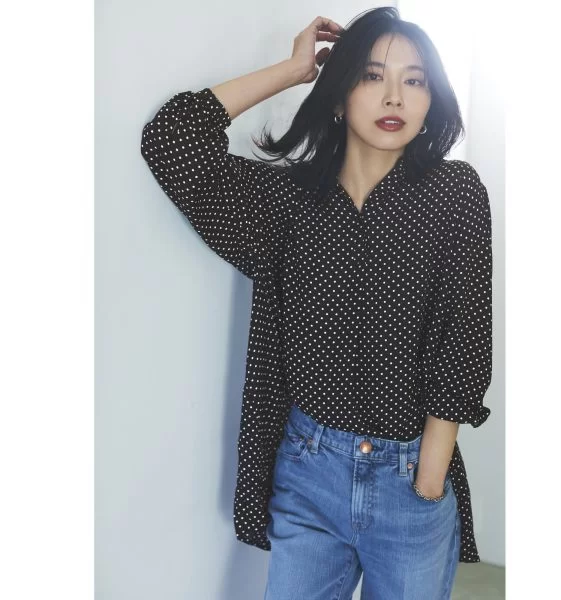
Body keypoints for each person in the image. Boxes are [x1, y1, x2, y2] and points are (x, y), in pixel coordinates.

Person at [141, 6, 493, 599]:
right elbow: (172, 141)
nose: (394, 96)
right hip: (307, 472)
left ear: (431, 101)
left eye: (414, 80)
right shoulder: (287, 202)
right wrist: (293, 70)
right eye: (371, 75)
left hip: (411, 475)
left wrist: (430, 477)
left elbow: (465, 338)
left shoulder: (453, 195)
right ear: (338, 97)